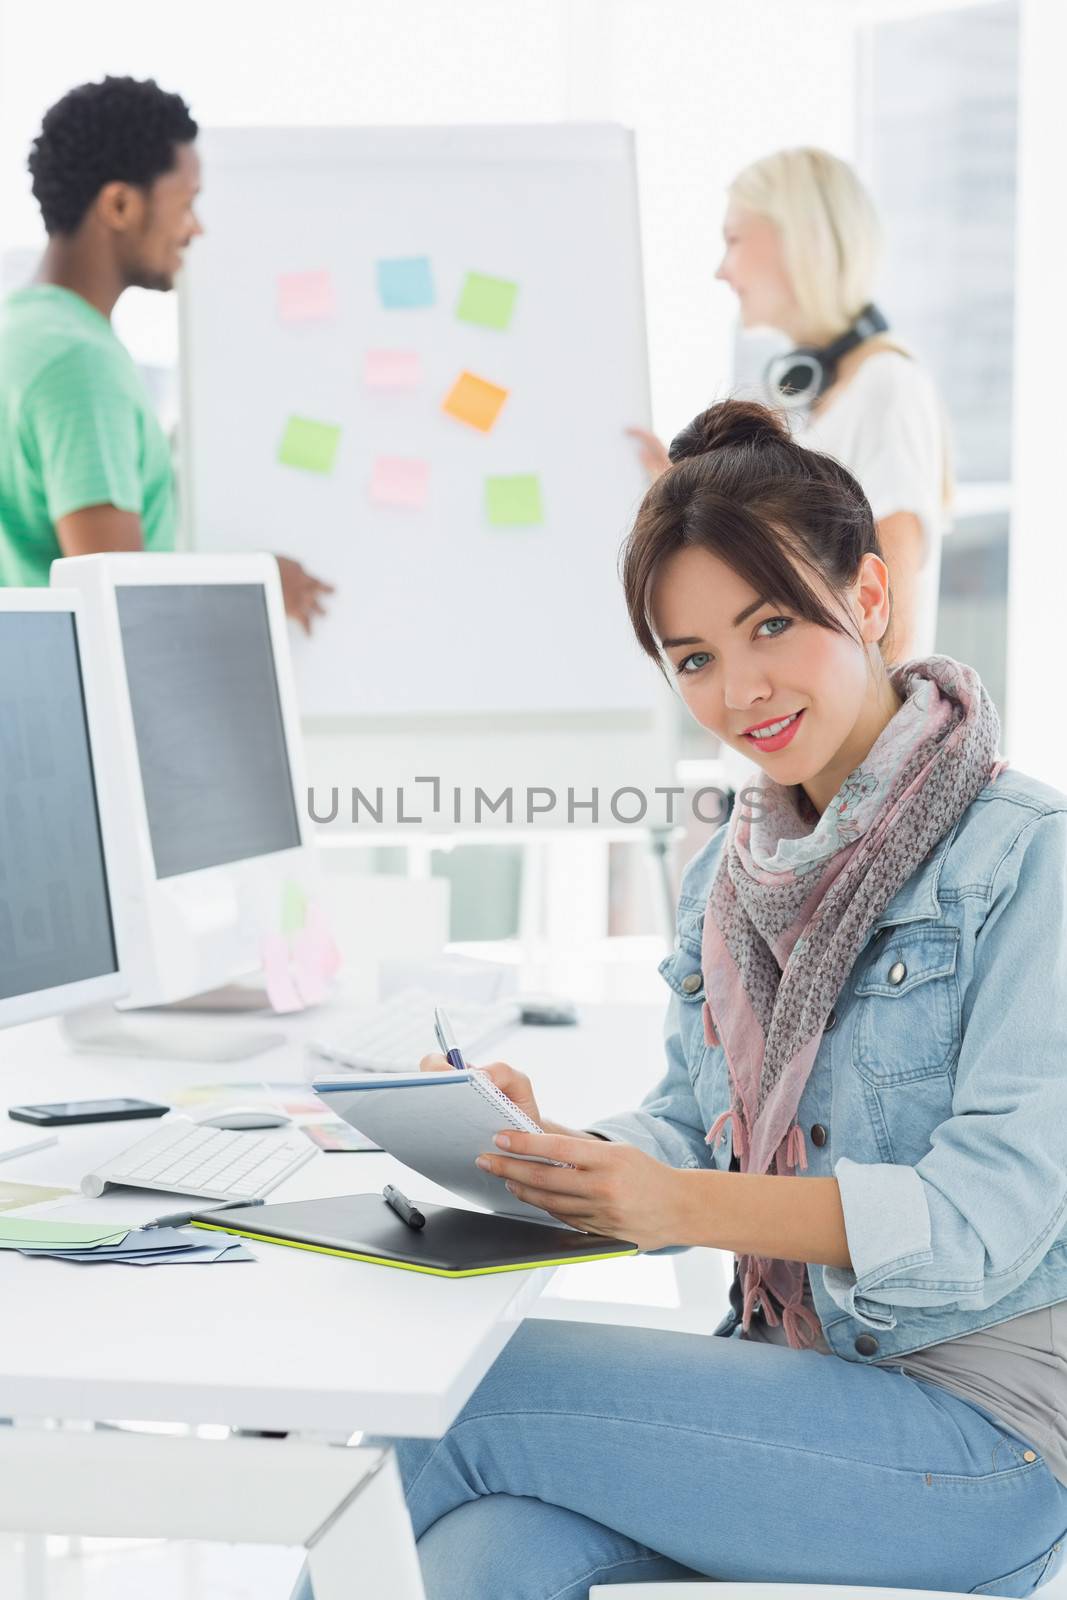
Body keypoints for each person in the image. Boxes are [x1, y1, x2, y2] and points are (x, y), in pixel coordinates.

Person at [338, 402, 1066, 1600]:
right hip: (797, 1380)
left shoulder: (1025, 858)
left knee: (457, 1403)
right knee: (480, 1561)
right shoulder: (726, 876)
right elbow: (685, 1124)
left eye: (769, 623)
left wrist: (677, 1203)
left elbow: (983, 1214)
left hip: (986, 1436)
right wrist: (546, 1149)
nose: (739, 689)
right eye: (693, 658)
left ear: (869, 596)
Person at [0, 76, 332, 632]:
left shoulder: (21, 332)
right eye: (186, 203)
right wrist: (257, 585)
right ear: (121, 204)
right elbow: (115, 608)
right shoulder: (79, 364)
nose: (195, 228)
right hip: (79, 716)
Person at [629, 148, 947, 664]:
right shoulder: (824, 400)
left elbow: (891, 632)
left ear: (799, 239)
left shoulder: (886, 387)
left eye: (733, 240)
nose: (721, 271)